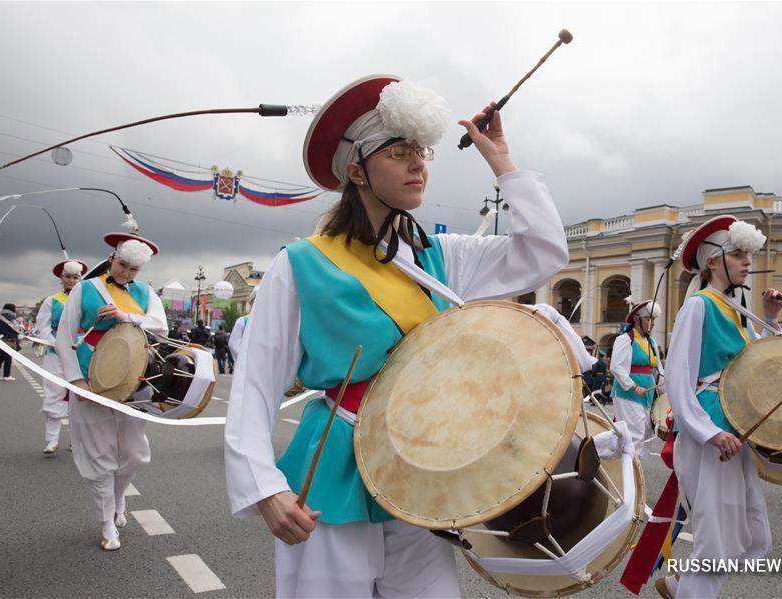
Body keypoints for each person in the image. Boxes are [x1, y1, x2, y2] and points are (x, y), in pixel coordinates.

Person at [224, 74, 569, 597]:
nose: (418, 163)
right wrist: (266, 489)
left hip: (424, 462)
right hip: (335, 466)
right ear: (357, 170)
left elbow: (543, 251)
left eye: (422, 151)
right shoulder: (301, 264)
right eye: (398, 151)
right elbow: (255, 384)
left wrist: (500, 159)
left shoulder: (442, 256)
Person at [656, 215, 781, 599]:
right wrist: (709, 433)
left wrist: (771, 317)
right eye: (739, 254)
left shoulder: (735, 310)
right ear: (713, 262)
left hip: (736, 429)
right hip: (712, 431)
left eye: (748, 255)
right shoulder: (698, 306)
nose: (748, 262)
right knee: (715, 535)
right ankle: (688, 590)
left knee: (743, 527)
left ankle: (679, 585)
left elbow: (762, 358)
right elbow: (678, 379)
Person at [56, 232, 166, 551]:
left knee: (133, 452)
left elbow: (161, 326)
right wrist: (75, 381)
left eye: (134, 269)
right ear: (112, 258)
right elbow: (64, 337)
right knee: (100, 454)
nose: (126, 273)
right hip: (92, 381)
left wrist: (124, 315)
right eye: (123, 265)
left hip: (133, 382)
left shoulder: (145, 293)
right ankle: (106, 523)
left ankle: (119, 497)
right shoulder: (85, 289)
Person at [34, 258, 88, 455]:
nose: (71, 280)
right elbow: (43, 326)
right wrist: (56, 344)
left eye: (75, 277)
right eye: (68, 277)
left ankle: (76, 440)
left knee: (78, 398)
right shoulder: (52, 300)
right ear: (61, 278)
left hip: (80, 354)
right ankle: (51, 439)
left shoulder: (85, 299)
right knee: (53, 394)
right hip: (55, 354)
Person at [610, 298, 664, 459]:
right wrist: (633, 386)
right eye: (648, 319)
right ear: (636, 319)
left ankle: (635, 476)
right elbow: (616, 367)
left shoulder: (652, 342)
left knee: (645, 436)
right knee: (635, 436)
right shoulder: (625, 339)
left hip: (647, 394)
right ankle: (629, 477)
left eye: (653, 320)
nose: (652, 323)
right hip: (628, 394)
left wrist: (668, 392)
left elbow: (659, 371)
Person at [0, 303, 21, 380]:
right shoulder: (11, 317)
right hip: (9, 339)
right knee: (8, 357)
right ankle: (7, 375)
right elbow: (16, 327)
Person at [228, 288, 256, 365]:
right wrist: (244, 360)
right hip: (246, 365)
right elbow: (233, 344)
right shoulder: (243, 321)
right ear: (251, 302)